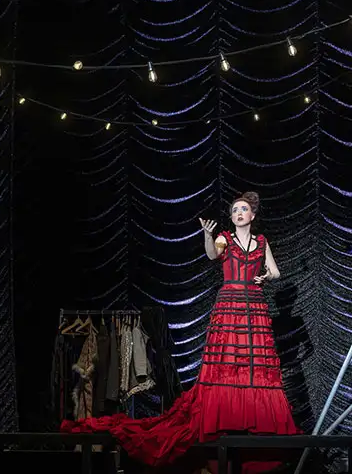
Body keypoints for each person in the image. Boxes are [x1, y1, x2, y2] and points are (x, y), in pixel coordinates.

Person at [62, 191, 300, 473]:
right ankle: (226, 420)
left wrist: (266, 276)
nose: (238, 213)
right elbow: (212, 255)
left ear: (253, 215)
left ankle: (255, 422)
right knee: (227, 363)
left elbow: (276, 272)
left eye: (243, 209)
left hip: (254, 307)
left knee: (253, 366)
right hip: (230, 304)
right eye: (235, 209)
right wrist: (207, 235)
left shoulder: (262, 242)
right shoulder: (224, 237)